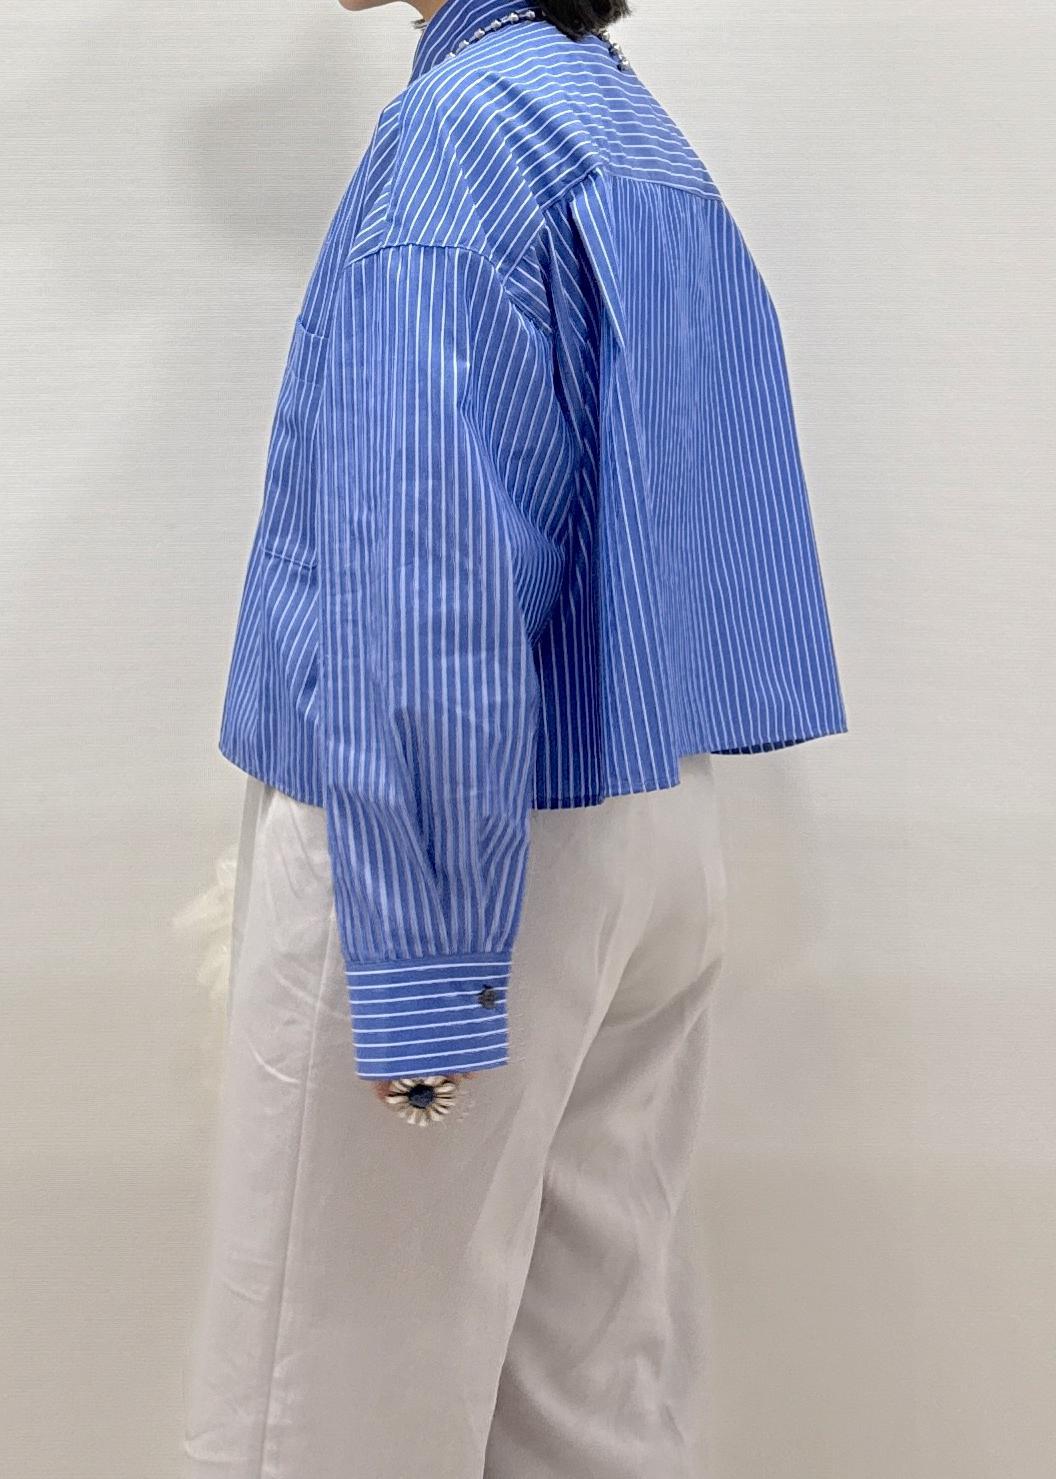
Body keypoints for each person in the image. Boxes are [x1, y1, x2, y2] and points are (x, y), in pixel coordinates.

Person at [182, 0, 847, 1473]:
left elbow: (427, 581)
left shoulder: (455, 140)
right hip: (645, 829)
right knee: (585, 1394)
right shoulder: (626, 124)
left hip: (461, 852)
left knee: (322, 1406)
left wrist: (422, 976)